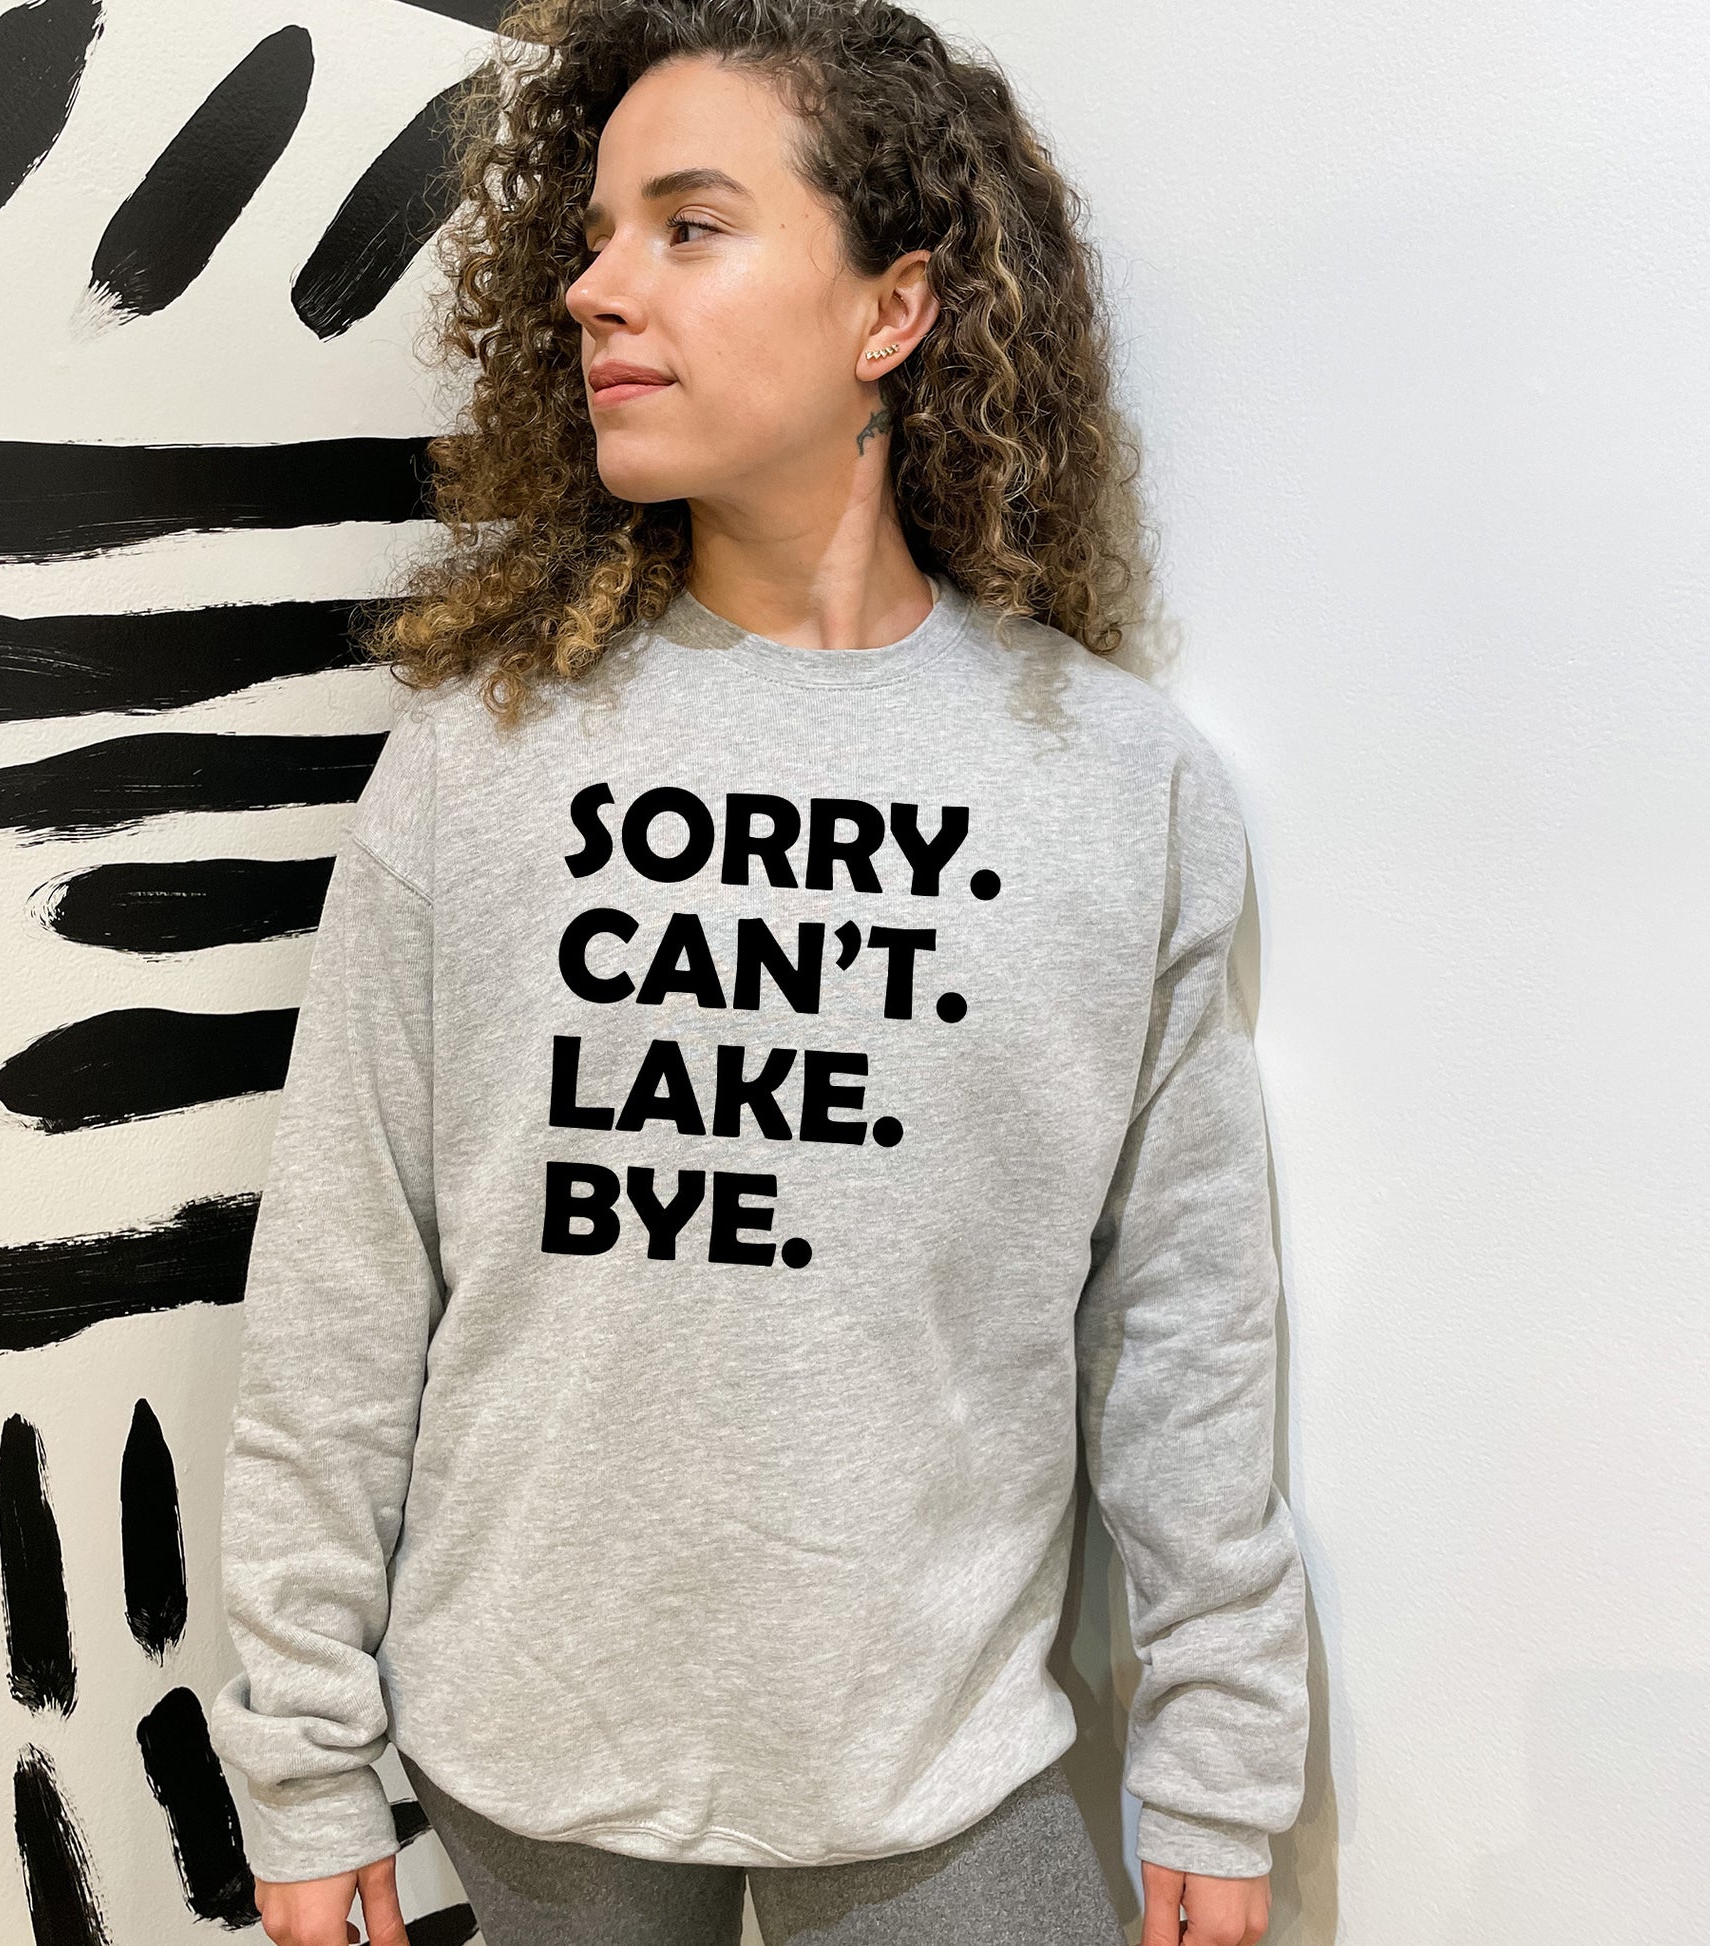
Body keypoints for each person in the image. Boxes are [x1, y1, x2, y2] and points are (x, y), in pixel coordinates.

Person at [210, 2, 1309, 1943]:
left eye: (686, 226)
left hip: (934, 1764)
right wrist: (301, 1770)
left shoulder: (1113, 787)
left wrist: (1219, 1758)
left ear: (891, 313)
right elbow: (338, 1288)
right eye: (596, 228)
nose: (593, 286)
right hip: (529, 1763)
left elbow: (1187, 1331)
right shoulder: (476, 761)